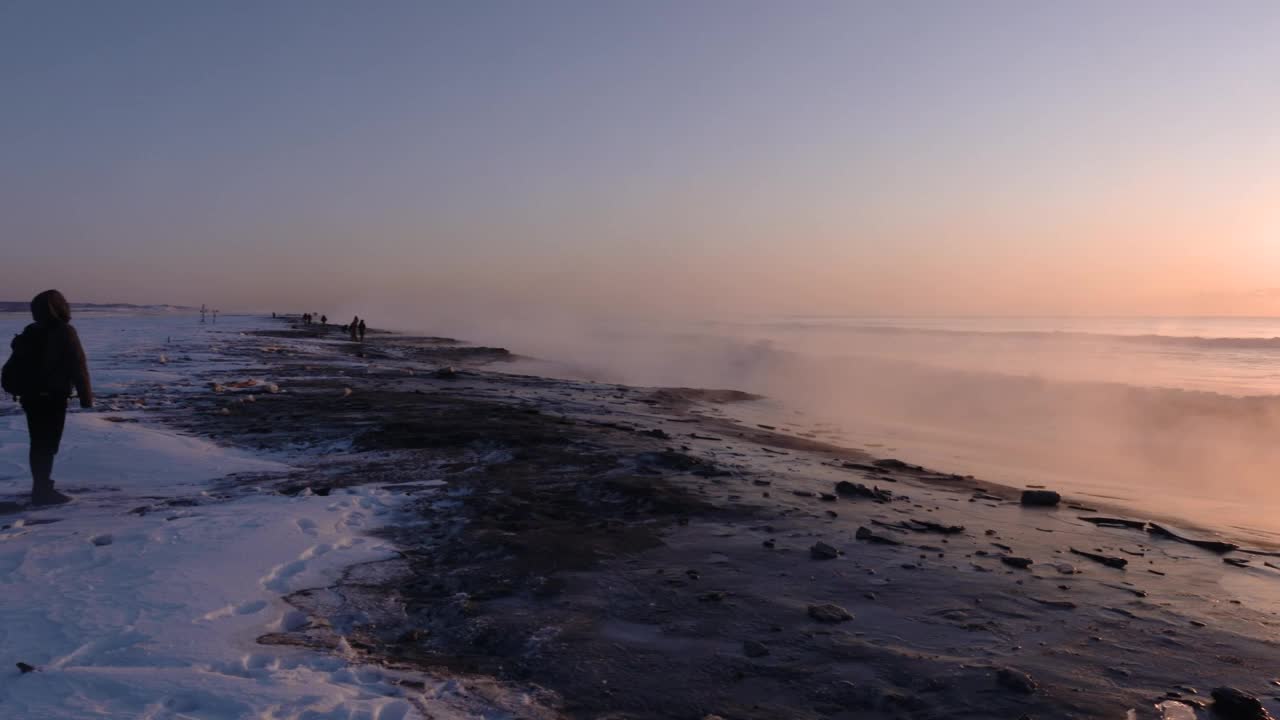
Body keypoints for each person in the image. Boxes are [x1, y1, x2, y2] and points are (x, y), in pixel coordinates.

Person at [1, 290, 93, 505]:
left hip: (30, 396)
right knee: (48, 443)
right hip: (52, 396)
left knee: (38, 442)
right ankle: (43, 491)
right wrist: (86, 398)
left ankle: (40, 488)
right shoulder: (64, 331)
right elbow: (78, 365)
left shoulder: (31, 330)